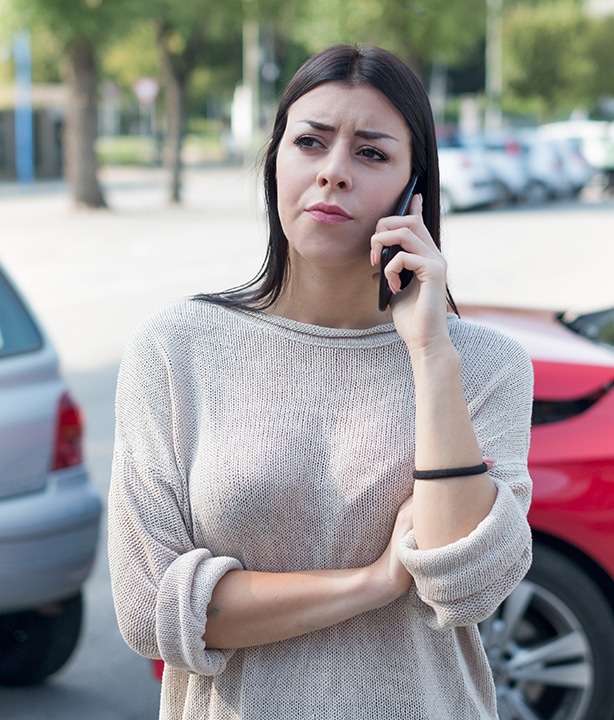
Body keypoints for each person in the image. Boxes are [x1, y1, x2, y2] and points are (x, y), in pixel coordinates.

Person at [108, 44, 534, 720]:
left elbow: (468, 586)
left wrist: (429, 350)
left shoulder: (484, 367)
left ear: (413, 189)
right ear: (275, 160)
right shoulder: (176, 348)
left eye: (371, 153)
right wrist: (373, 582)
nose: (333, 172)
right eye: (310, 141)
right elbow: (149, 610)